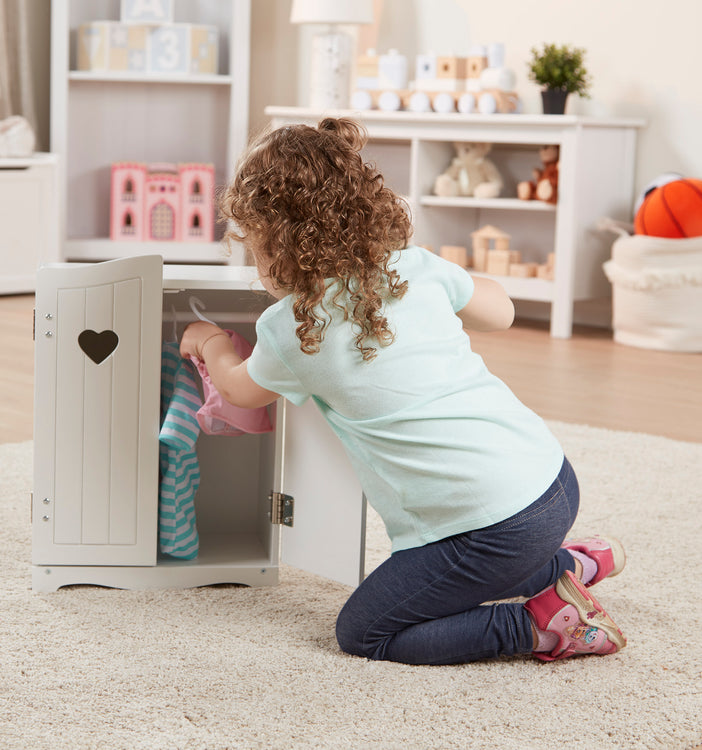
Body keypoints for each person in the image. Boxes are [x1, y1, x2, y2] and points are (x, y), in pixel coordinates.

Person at [180, 117, 627, 665]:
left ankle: (537, 625)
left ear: (280, 243)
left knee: (365, 632)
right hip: (552, 482)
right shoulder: (413, 267)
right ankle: (571, 565)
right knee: (479, 564)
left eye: (254, 248)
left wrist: (209, 342)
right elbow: (503, 312)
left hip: (489, 528)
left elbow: (238, 391)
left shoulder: (293, 330)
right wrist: (451, 283)